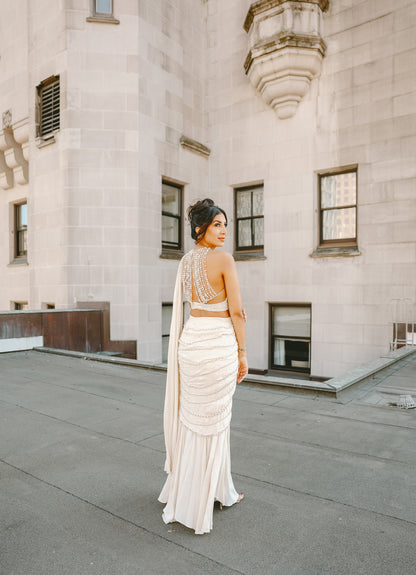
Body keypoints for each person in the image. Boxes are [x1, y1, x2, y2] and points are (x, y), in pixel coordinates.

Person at [158, 198, 248, 535]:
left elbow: (190, 306)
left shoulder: (184, 262)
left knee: (195, 420)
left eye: (225, 224)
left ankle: (205, 490)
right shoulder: (224, 259)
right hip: (218, 346)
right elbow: (237, 312)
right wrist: (242, 352)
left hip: (191, 343)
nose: (224, 231)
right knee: (216, 420)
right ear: (200, 229)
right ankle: (214, 494)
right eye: (217, 225)